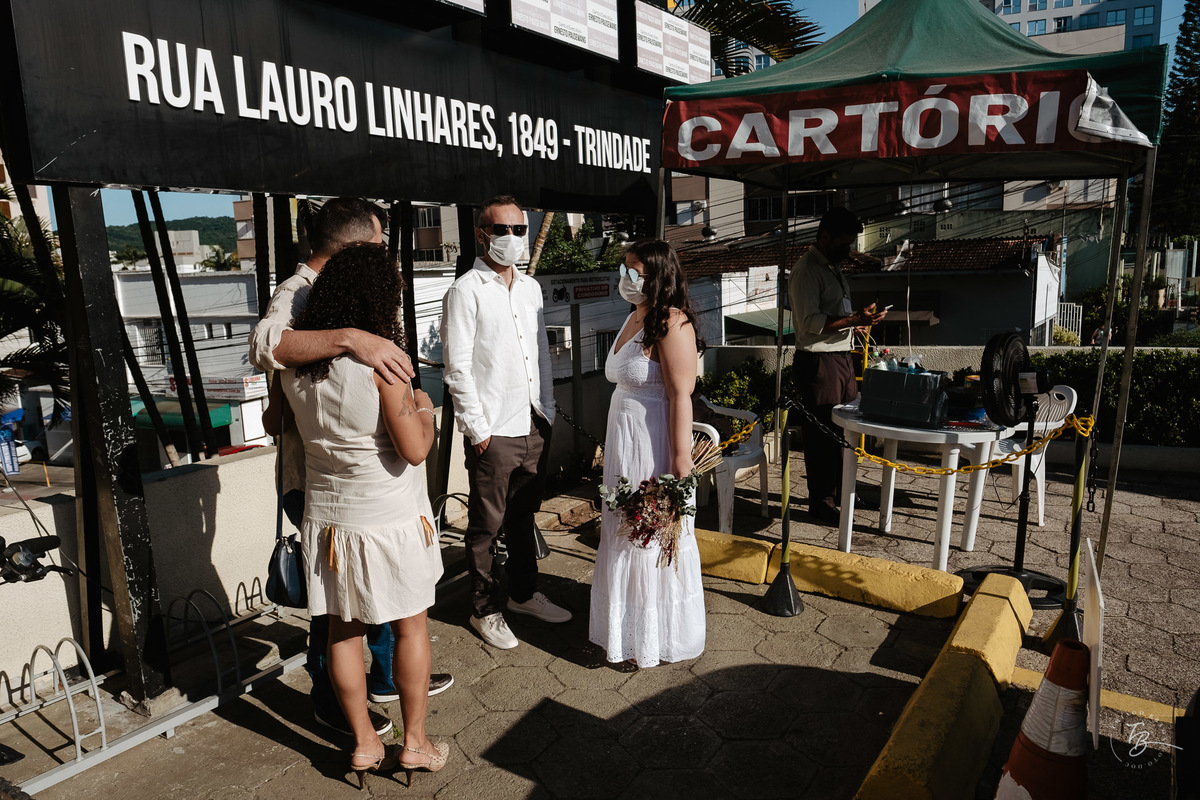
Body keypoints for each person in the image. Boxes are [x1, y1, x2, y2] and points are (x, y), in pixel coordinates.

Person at [250, 198, 451, 740]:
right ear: (358, 250)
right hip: (353, 494)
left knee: (347, 617)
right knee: (380, 616)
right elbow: (264, 344)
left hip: (329, 489)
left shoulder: (320, 344)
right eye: (381, 247)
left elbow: (277, 402)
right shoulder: (296, 297)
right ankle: (347, 709)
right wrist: (357, 343)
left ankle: (372, 704)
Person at [440, 195, 570, 650]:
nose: (512, 238)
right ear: (481, 235)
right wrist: (477, 430)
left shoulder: (531, 288)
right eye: (502, 230)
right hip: (493, 431)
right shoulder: (465, 291)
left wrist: (548, 409)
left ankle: (523, 594)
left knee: (523, 517)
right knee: (485, 527)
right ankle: (484, 608)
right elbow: (456, 367)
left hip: (534, 423)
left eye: (519, 229)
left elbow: (541, 355)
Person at [589, 239, 706, 668]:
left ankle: (658, 638)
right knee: (624, 531)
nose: (627, 278)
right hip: (624, 443)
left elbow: (681, 395)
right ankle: (626, 634)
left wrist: (679, 465)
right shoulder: (633, 316)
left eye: (635, 270)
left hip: (653, 444)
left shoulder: (673, 323)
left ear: (657, 274)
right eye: (625, 269)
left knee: (651, 533)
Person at [788, 207, 887, 526]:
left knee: (847, 429)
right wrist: (854, 320)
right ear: (824, 236)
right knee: (822, 434)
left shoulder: (832, 267)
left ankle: (845, 491)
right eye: (843, 244)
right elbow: (810, 322)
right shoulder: (807, 270)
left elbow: (833, 317)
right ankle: (821, 502)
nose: (848, 251)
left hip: (842, 357)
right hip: (819, 362)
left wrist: (856, 324)